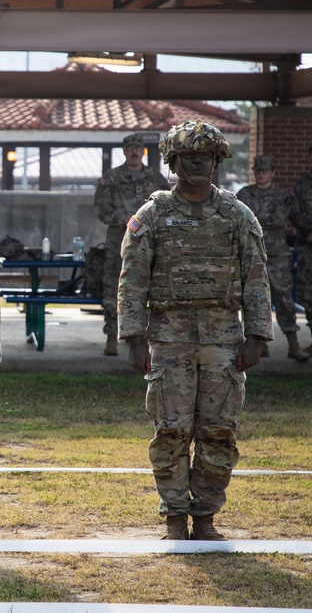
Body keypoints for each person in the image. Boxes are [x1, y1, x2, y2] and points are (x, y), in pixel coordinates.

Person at [118, 120, 272, 542]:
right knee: (171, 429)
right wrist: (133, 338)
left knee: (218, 430)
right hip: (168, 338)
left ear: (217, 161)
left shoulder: (237, 215)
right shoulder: (152, 214)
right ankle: (174, 515)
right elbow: (132, 278)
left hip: (223, 337)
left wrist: (257, 335)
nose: (197, 163)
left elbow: (256, 277)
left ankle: (205, 516)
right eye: (188, 157)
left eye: (205, 156)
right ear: (173, 162)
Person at [94, 132, 169, 356]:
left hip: (148, 240)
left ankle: (141, 336)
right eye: (131, 149)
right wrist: (124, 219)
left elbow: (166, 204)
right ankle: (111, 334)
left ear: (143, 151)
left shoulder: (155, 178)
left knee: (148, 284)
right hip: (119, 238)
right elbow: (101, 206)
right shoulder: (112, 177)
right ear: (125, 151)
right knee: (114, 285)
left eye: (138, 148)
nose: (135, 152)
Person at [236, 155, 309, 361]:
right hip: (251, 254)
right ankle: (258, 343)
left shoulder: (283, 195)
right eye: (258, 171)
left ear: (273, 172)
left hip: (277, 255)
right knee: (254, 299)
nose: (261, 174)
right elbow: (239, 220)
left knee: (284, 299)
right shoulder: (244, 194)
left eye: (265, 170)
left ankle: (293, 345)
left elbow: (295, 220)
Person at [288, 147, 312, 355]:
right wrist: (308, 230)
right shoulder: (302, 185)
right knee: (308, 295)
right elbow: (293, 212)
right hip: (308, 247)